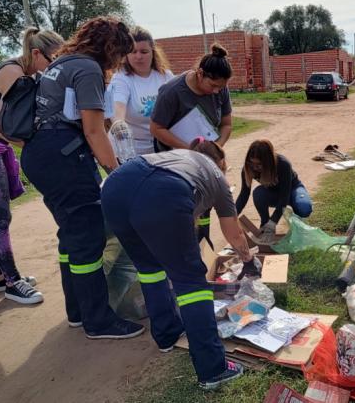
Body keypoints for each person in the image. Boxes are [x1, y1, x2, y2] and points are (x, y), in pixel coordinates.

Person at [20, 16, 144, 339]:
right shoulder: (89, 69)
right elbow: (91, 131)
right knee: (89, 235)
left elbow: (91, 122)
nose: (118, 63)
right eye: (119, 55)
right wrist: (117, 175)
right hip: (64, 157)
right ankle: (98, 320)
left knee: (72, 234)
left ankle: (78, 310)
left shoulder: (63, 62)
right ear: (109, 47)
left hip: (41, 154)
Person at [101, 138, 259, 389]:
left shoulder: (178, 158)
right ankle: (213, 369)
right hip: (160, 192)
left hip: (115, 188)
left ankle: (167, 335)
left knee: (150, 269)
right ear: (221, 163)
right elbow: (234, 234)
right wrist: (248, 259)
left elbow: (181, 214)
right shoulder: (217, 178)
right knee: (191, 282)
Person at [0, 27, 63, 304]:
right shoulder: (13, 74)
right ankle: (12, 282)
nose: (53, 66)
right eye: (51, 59)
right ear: (35, 53)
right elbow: (3, 126)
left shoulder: (24, 74)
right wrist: (36, 148)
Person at [151, 43, 234, 246]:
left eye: (220, 88)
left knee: (205, 199)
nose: (216, 92)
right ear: (200, 74)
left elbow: (226, 123)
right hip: (175, 159)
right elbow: (156, 129)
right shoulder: (172, 92)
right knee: (183, 205)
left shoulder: (220, 90)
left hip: (205, 156)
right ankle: (182, 246)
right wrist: (189, 150)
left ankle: (202, 239)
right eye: (212, 86)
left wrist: (217, 147)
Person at [108, 26, 174, 155]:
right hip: (130, 150)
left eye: (144, 52)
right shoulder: (121, 78)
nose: (138, 57)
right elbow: (117, 105)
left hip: (162, 146)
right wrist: (118, 123)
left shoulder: (166, 76)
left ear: (153, 52)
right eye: (133, 52)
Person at [235, 139, 313, 242]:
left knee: (304, 208)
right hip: (273, 194)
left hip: (292, 190)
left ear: (268, 162)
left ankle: (298, 228)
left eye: (258, 164)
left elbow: (284, 196)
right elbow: (244, 194)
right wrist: (232, 215)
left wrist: (274, 222)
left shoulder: (283, 164)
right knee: (258, 194)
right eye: (251, 163)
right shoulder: (248, 168)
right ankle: (265, 224)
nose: (255, 167)